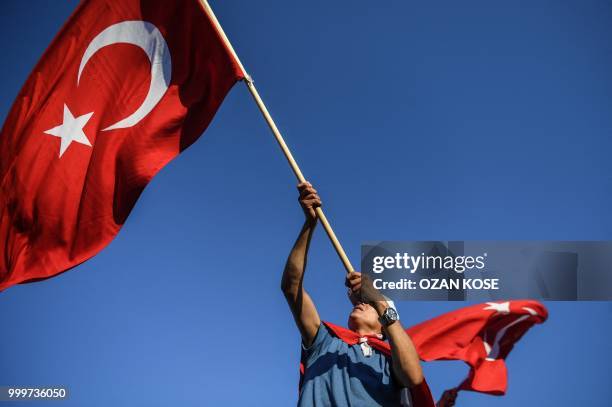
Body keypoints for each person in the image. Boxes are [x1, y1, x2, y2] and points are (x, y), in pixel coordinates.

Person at [281, 181, 436, 407]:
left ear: (384, 324)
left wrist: (379, 301)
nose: (360, 304)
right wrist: (309, 225)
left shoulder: (391, 359)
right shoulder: (324, 340)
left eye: (369, 304)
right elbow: (291, 287)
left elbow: (413, 377)